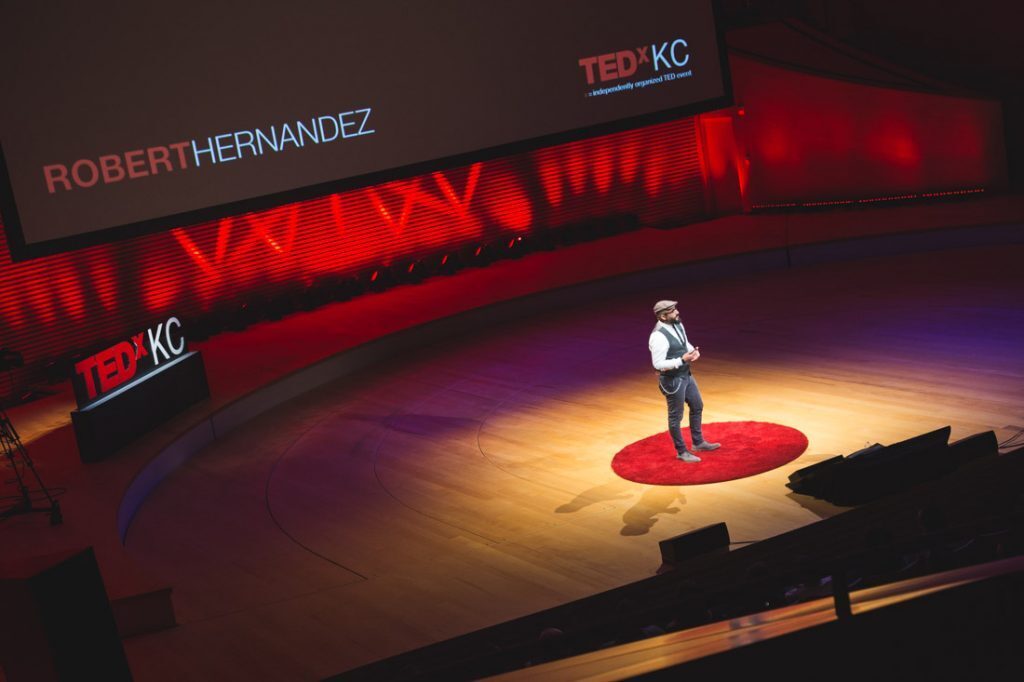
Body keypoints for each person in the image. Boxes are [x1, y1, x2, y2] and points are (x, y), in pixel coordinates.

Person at [649, 300, 720, 462]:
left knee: (697, 406)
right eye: (673, 311)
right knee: (676, 417)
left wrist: (692, 352)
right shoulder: (658, 336)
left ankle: (698, 442)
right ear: (663, 316)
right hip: (672, 381)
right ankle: (681, 451)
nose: (677, 312)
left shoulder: (677, 324)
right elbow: (658, 364)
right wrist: (682, 360)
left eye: (675, 309)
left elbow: (684, 342)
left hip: (685, 374)